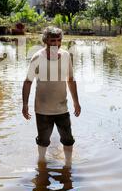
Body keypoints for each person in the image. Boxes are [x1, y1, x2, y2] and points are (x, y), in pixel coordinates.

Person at [22, 26, 81, 167]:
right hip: (42, 109)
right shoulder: (37, 58)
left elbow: (71, 80)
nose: (55, 43)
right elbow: (28, 82)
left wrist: (76, 102)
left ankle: (68, 165)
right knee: (43, 140)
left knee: (68, 139)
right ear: (45, 41)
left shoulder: (66, 56)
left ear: (61, 41)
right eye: (52, 40)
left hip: (62, 107)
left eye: (58, 40)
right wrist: (25, 104)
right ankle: (41, 163)